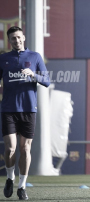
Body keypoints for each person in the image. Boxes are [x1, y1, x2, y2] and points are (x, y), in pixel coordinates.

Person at [0, 26, 50, 200]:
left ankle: (22, 187)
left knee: (25, 148)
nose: (17, 40)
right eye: (13, 38)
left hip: (29, 109)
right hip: (8, 109)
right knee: (11, 148)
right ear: (9, 40)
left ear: (24, 37)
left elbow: (47, 81)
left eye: (19, 37)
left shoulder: (35, 57)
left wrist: (34, 75)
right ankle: (9, 178)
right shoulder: (3, 58)